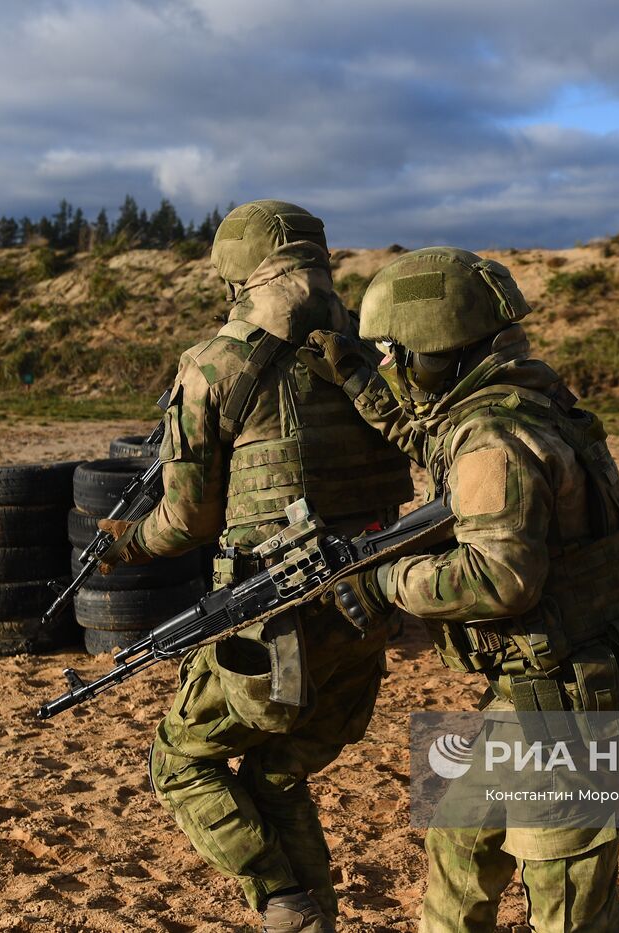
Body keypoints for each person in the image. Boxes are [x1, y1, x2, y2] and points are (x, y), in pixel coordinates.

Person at [300, 247, 619, 932]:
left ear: (438, 353)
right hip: (537, 695)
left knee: (572, 910)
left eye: (399, 354)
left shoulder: (498, 434)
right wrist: (356, 377)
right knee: (458, 838)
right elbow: (430, 440)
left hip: (567, 713)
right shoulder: (519, 399)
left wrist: (383, 578)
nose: (394, 368)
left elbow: (500, 578)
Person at [97, 200, 413, 932]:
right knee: (276, 774)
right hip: (367, 610)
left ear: (234, 272)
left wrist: (125, 543)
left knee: (180, 762)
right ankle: (310, 919)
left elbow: (185, 522)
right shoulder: (364, 352)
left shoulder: (214, 363)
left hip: (275, 621)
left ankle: (280, 895)